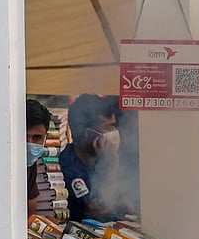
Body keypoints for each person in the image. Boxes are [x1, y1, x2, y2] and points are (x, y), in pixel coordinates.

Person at [59, 93, 132, 222]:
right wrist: (112, 168)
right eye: (109, 127)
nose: (115, 132)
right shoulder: (67, 168)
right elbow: (98, 212)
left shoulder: (102, 159)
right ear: (88, 134)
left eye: (114, 126)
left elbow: (129, 205)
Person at [26, 98, 52, 217]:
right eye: (24, 137)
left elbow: (31, 210)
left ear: (45, 137)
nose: (29, 143)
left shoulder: (31, 165)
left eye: (37, 138)